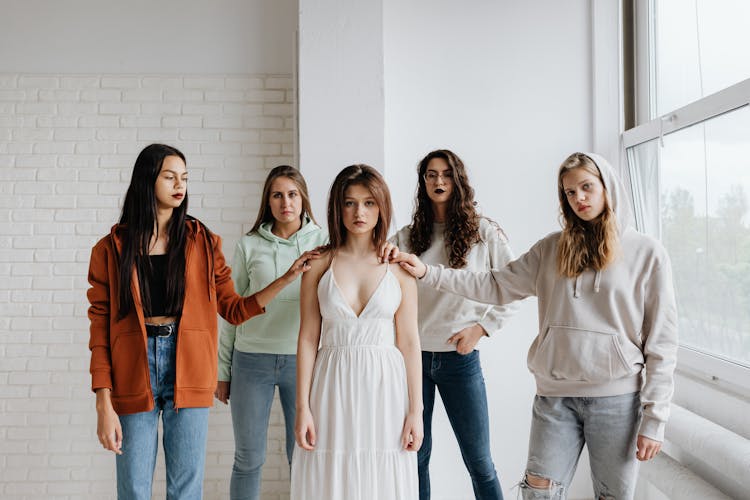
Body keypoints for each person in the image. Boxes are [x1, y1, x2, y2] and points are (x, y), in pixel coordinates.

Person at [394, 153, 678, 500]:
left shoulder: (647, 253)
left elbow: (662, 343)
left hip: (616, 398)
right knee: (537, 493)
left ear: (608, 187)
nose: (580, 199)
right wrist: (427, 273)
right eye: (570, 193)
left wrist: (655, 419)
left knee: (612, 496)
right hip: (554, 397)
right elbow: (495, 285)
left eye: (586, 188)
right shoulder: (550, 249)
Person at [87, 144, 314, 499]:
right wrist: (103, 400)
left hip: (189, 363)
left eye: (185, 178)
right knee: (133, 488)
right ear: (148, 180)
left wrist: (285, 278)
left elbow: (234, 310)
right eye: (170, 176)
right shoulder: (110, 248)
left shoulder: (202, 242)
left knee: (186, 489)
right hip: (132, 366)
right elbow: (99, 327)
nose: (180, 185)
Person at [291, 164, 423, 500]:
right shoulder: (319, 264)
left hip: (386, 387)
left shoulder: (400, 267)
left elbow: (409, 342)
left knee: (382, 473)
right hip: (331, 383)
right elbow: (307, 338)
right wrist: (302, 407)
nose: (359, 212)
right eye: (349, 203)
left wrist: (415, 411)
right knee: (332, 474)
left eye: (369, 203)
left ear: (382, 207)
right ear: (338, 208)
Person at [390, 149, 514, 500]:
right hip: (413, 361)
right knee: (416, 457)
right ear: (423, 182)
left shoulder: (483, 232)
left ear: (457, 180)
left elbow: (516, 286)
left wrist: (482, 328)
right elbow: (372, 267)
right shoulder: (409, 235)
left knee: (479, 461)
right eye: (431, 174)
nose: (438, 181)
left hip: (460, 359)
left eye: (445, 174)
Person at [215, 165, 327, 500]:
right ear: (268, 200)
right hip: (250, 361)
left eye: (292, 194)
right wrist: (223, 371)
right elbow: (232, 310)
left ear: (303, 199)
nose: (285, 202)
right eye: (277, 195)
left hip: (303, 361)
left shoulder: (323, 242)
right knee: (248, 458)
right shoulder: (249, 244)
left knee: (303, 456)